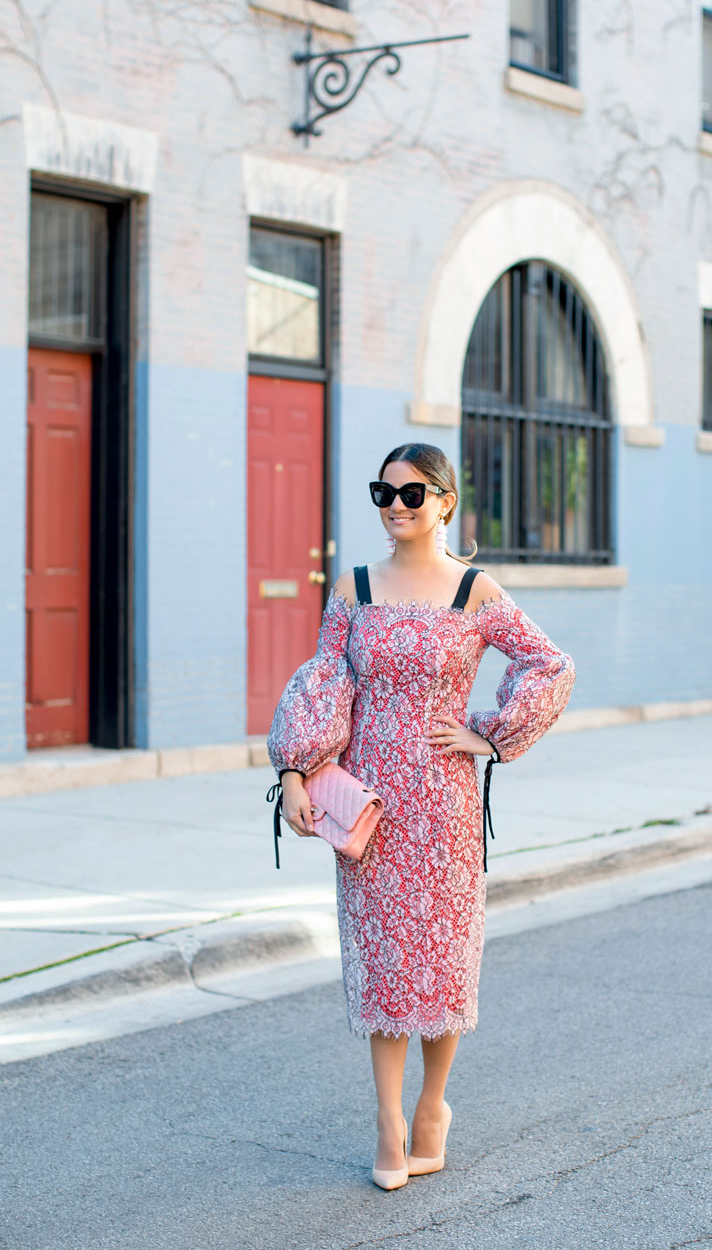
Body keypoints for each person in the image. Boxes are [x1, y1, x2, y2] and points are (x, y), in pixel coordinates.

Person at [267, 442, 575, 1190]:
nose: (395, 506)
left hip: (444, 802)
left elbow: (550, 664)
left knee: (440, 961)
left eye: (412, 494)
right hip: (368, 803)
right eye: (384, 493)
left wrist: (491, 734)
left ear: (446, 501)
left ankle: (433, 1108)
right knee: (381, 965)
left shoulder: (475, 591)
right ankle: (387, 1121)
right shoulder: (355, 588)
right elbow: (323, 683)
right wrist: (295, 772)